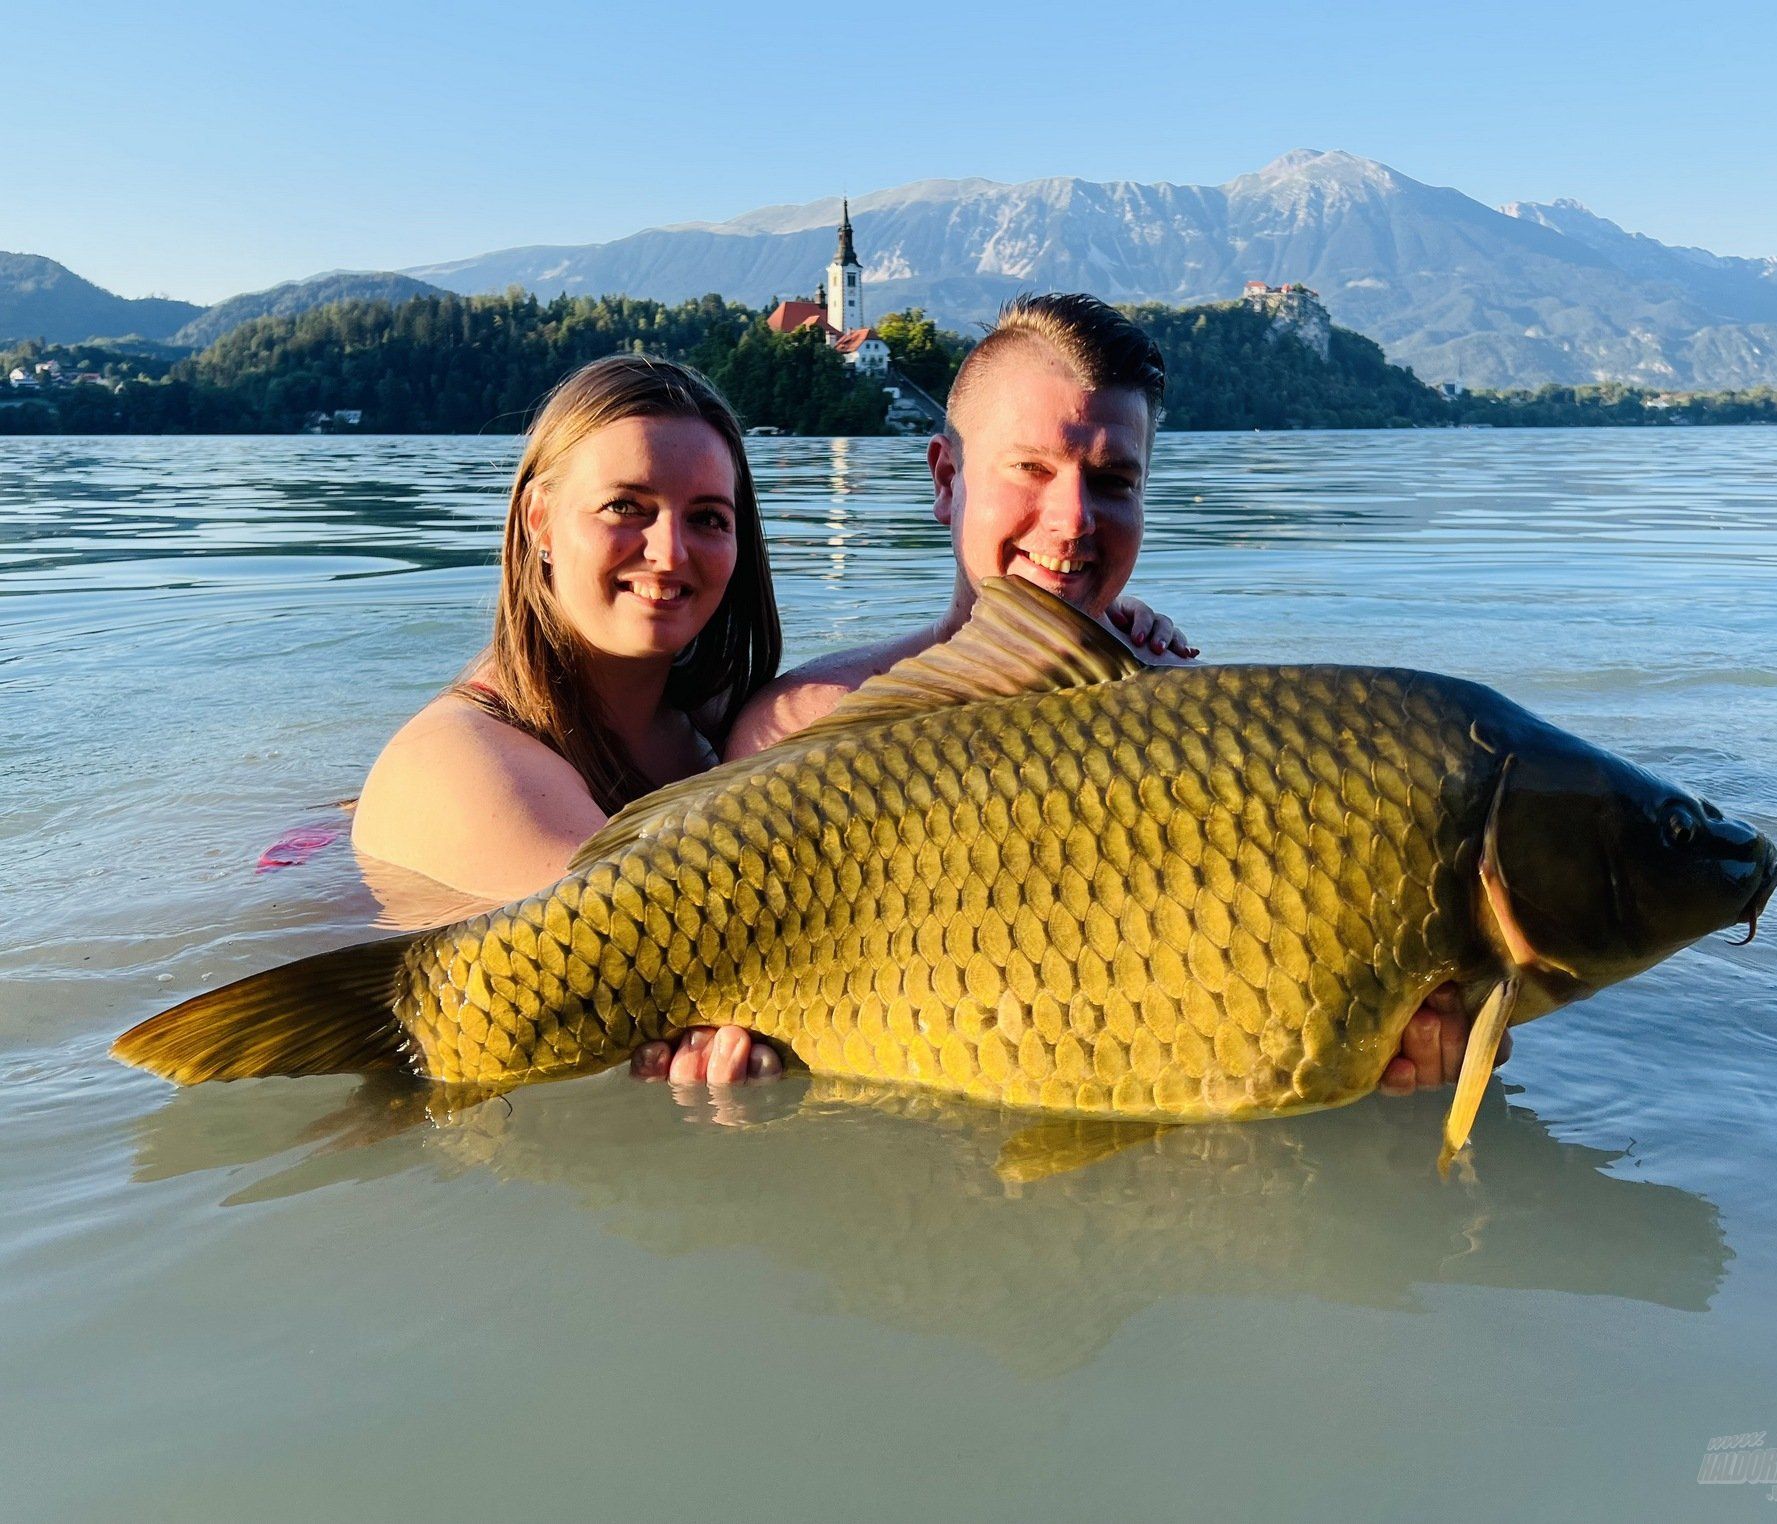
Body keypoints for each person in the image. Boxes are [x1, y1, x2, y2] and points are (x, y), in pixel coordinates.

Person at [721, 292, 1507, 1095]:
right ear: (947, 478)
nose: (1071, 520)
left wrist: (1411, 1064)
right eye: (1031, 468)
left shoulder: (1225, 761)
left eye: (1113, 480)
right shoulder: (796, 732)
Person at [352, 353, 786, 1083]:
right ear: (541, 522)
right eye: (627, 507)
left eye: (708, 518)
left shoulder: (718, 726)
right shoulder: (463, 766)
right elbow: (653, 966)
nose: (670, 551)